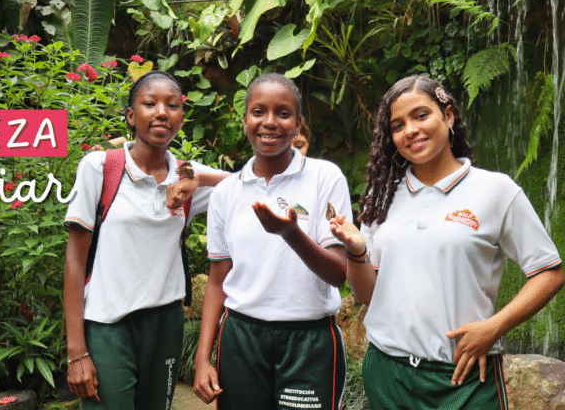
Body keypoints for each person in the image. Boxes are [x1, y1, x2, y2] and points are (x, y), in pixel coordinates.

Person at [329, 75, 564, 409]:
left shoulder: (496, 191)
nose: (410, 130)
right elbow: (369, 295)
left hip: (464, 377)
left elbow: (549, 272)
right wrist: (357, 251)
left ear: (448, 116)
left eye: (421, 115)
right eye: (398, 125)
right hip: (387, 373)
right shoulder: (381, 197)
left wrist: (494, 327)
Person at [63, 71, 228, 409]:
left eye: (173, 106)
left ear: (181, 117)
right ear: (130, 115)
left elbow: (250, 186)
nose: (162, 113)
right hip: (108, 325)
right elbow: (75, 260)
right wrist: (76, 352)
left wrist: (199, 179)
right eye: (149, 104)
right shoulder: (101, 167)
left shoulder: (186, 175)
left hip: (166, 325)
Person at [194, 73, 350, 410]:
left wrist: (291, 234)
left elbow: (339, 273)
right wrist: (202, 358)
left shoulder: (325, 177)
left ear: (298, 124)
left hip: (309, 342)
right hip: (241, 338)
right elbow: (218, 279)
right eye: (258, 112)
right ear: (245, 120)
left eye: (283, 113)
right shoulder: (225, 193)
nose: (269, 122)